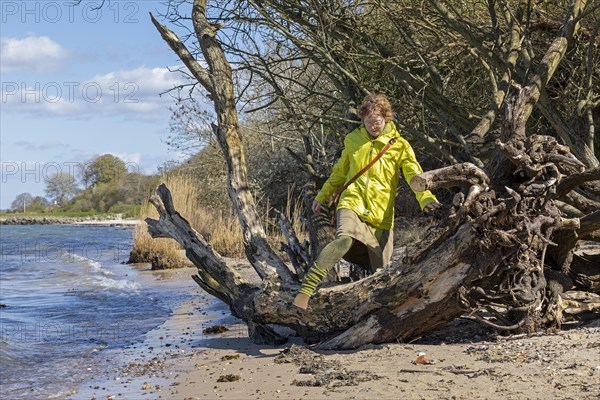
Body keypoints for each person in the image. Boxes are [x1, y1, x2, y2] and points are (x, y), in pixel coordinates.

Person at [293, 93, 441, 310]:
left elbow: (413, 174)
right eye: (369, 122)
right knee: (343, 240)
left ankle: (369, 314)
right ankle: (306, 290)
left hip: (381, 216)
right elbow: (339, 173)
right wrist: (322, 196)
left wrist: (426, 198)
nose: (374, 126)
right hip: (352, 202)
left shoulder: (399, 145)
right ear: (363, 120)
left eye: (378, 122)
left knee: (381, 276)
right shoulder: (353, 141)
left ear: (386, 118)